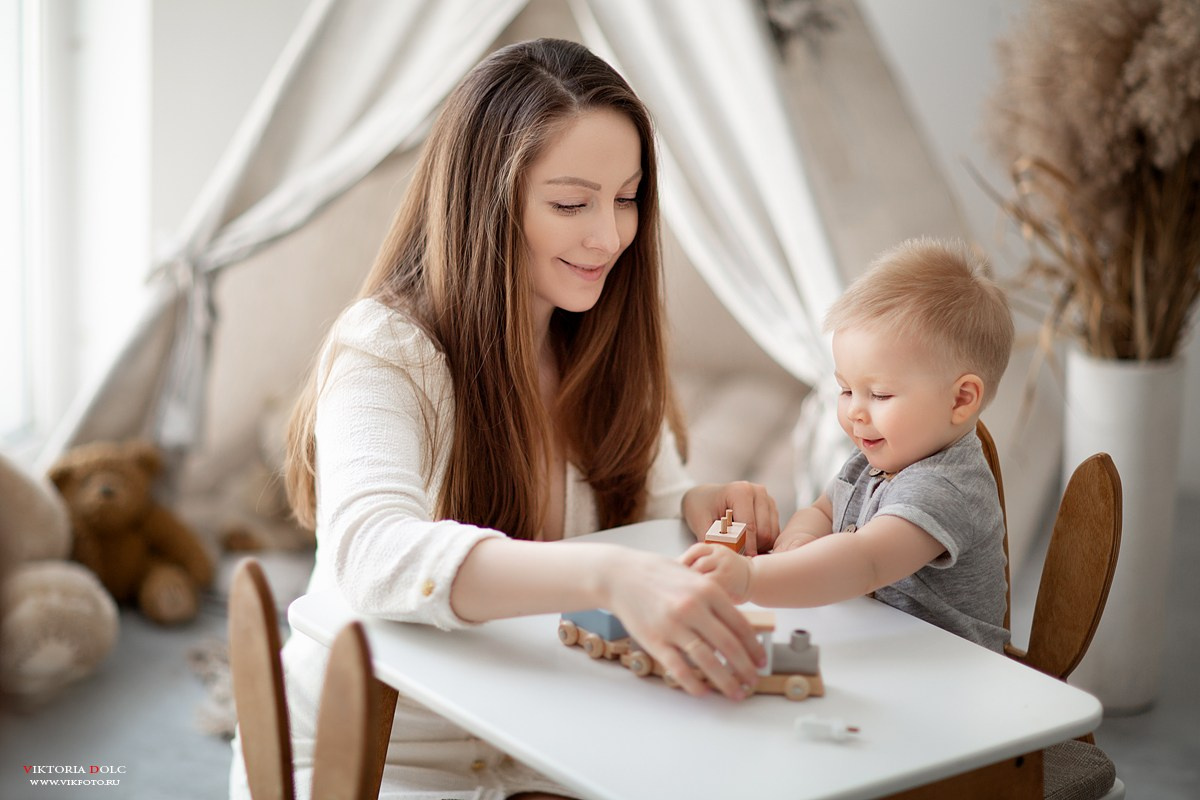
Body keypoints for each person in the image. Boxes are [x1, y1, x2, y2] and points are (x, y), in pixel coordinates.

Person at [229, 38, 782, 800]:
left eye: (627, 198)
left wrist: (693, 510)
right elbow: (374, 551)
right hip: (371, 759)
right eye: (570, 203)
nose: (609, 236)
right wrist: (608, 575)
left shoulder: (605, 342)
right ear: (486, 201)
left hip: (544, 741)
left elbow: (646, 515)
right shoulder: (385, 346)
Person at [683, 238, 1014, 653]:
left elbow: (865, 560)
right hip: (881, 647)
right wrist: (797, 543)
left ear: (961, 399)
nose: (855, 412)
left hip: (949, 673)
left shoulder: (943, 488)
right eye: (845, 390)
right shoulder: (876, 459)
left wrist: (752, 580)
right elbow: (824, 509)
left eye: (879, 395)